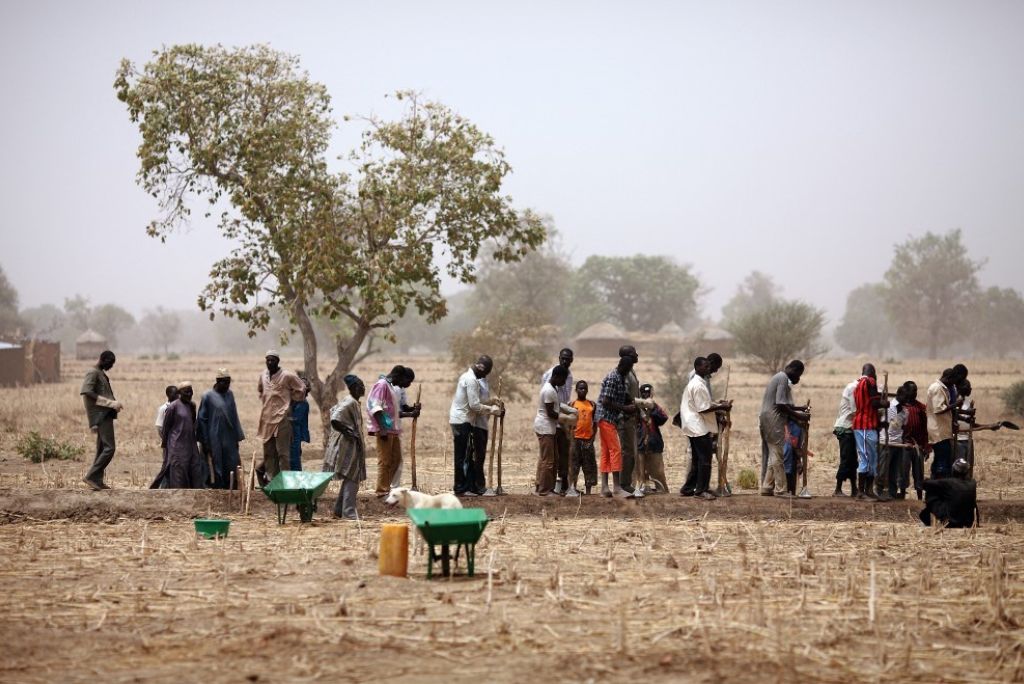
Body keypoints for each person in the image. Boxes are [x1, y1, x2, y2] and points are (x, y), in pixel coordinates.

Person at [449, 356, 503, 497]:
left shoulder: (469, 377)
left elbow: (476, 401)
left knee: (465, 454)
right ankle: (461, 488)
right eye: (485, 373)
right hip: (462, 420)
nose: (484, 376)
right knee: (463, 456)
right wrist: (492, 410)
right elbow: (474, 405)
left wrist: (491, 401)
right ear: (482, 369)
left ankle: (467, 487)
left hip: (463, 420)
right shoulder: (471, 380)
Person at [680, 358, 731, 499]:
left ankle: (688, 488)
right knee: (705, 459)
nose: (709, 369)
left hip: (693, 425)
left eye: (709, 366)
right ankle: (701, 491)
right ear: (697, 368)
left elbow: (704, 403)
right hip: (697, 426)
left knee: (697, 459)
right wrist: (722, 407)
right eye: (706, 366)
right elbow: (703, 408)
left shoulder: (698, 383)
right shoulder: (698, 385)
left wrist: (717, 404)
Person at [367, 365, 420, 496]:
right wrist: (383, 428)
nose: (402, 386)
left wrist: (412, 411)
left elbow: (394, 410)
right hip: (385, 429)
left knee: (396, 459)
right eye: (403, 381)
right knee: (385, 461)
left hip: (393, 429)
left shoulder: (389, 386)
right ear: (398, 376)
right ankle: (382, 490)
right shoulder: (382, 385)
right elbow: (374, 406)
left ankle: (387, 487)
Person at [760, 360, 809, 498]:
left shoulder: (780, 378)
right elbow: (781, 405)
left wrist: (799, 409)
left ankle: (767, 486)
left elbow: (785, 403)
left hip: (769, 417)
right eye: (798, 374)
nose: (797, 378)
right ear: (793, 370)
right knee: (777, 453)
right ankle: (781, 490)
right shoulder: (782, 378)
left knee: (774, 452)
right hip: (772, 418)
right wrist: (799, 416)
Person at [256, 350, 306, 485]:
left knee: (283, 454)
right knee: (268, 454)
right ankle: (273, 482)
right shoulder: (263, 376)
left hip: (282, 420)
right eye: (268, 360)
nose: (270, 362)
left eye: (272, 360)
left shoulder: (287, 375)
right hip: (267, 420)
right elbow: (261, 390)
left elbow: (301, 389)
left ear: (278, 361)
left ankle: (286, 483)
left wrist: (290, 401)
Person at [323, 375, 367, 520]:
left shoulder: (353, 402)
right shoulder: (349, 402)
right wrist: (349, 432)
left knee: (350, 476)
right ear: (354, 387)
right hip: (347, 446)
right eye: (361, 385)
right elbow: (335, 418)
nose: (363, 387)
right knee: (352, 477)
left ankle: (338, 510)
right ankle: (348, 513)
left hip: (351, 445)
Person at [596, 353, 638, 498]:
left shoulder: (620, 377)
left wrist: (630, 402)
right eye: (628, 368)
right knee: (616, 451)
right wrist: (625, 408)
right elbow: (606, 401)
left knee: (606, 452)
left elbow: (619, 395)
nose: (628, 371)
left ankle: (604, 488)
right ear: (623, 366)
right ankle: (617, 487)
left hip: (606, 419)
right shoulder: (613, 378)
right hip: (606, 418)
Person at [80, 350, 123, 490]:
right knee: (110, 448)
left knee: (102, 449)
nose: (111, 366)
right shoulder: (93, 373)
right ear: (102, 359)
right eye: (109, 363)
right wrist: (110, 403)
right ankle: (91, 476)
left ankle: (97, 480)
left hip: (105, 414)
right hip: (100, 415)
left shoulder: (101, 374)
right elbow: (87, 392)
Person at [196, 369, 246, 490]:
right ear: (218, 381)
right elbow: (202, 420)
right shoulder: (207, 396)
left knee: (232, 462)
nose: (227, 385)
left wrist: (237, 438)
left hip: (229, 437)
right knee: (216, 464)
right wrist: (205, 442)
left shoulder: (230, 394)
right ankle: (218, 489)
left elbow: (234, 416)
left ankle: (231, 488)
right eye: (224, 382)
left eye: (228, 382)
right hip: (214, 437)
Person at [534, 364, 572, 496]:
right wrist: (566, 418)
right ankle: (544, 490)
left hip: (549, 428)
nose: (563, 383)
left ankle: (549, 488)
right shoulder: (549, 390)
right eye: (563, 379)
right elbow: (551, 412)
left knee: (554, 459)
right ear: (557, 377)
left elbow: (556, 405)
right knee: (548, 461)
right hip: (545, 428)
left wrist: (568, 410)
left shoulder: (553, 388)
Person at [541, 348, 575, 494]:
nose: (565, 361)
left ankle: (563, 484)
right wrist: (564, 417)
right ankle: (542, 485)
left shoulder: (570, 376)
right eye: (563, 358)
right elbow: (549, 404)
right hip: (551, 419)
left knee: (563, 452)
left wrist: (570, 412)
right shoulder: (549, 378)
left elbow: (564, 400)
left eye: (568, 359)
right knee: (548, 456)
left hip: (561, 417)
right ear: (559, 357)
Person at [160, 382, 205, 489]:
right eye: (186, 392)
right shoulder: (173, 407)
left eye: (191, 391)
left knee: (195, 471)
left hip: (190, 444)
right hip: (177, 446)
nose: (189, 394)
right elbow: (166, 427)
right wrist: (166, 446)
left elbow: (193, 423)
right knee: (178, 474)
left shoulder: (192, 406)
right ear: (180, 393)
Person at [852, 364, 886, 501]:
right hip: (865, 424)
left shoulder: (858, 384)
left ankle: (869, 491)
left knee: (871, 457)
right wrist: (884, 403)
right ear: (872, 373)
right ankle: (862, 492)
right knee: (866, 457)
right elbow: (874, 403)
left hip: (864, 424)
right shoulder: (869, 382)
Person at [919, 458, 978, 528]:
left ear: (954, 470)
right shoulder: (972, 483)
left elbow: (925, 484)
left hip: (952, 522)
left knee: (931, 492)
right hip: (969, 522)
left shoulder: (948, 483)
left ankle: (927, 519)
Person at [926, 368, 962, 479]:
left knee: (939, 459)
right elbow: (939, 409)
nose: (953, 384)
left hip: (941, 430)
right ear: (949, 378)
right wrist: (956, 404)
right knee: (943, 459)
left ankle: (936, 482)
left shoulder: (942, 387)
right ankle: (940, 482)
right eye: (953, 381)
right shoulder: (937, 388)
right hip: (938, 431)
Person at [617, 345, 642, 495]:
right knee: (627, 452)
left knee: (631, 452)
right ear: (627, 356)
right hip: (625, 418)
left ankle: (626, 483)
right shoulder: (625, 373)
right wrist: (634, 406)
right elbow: (624, 395)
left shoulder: (631, 371)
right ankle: (623, 484)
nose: (637, 355)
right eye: (634, 353)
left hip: (631, 417)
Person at [636, 383, 669, 494]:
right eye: (643, 392)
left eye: (647, 392)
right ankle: (642, 489)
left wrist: (653, 408)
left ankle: (662, 492)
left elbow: (663, 418)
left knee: (658, 472)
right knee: (640, 472)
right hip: (640, 444)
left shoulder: (655, 406)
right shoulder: (636, 409)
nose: (646, 394)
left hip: (654, 444)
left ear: (651, 393)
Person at [901, 381, 930, 500]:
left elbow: (925, 428)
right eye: (913, 390)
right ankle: (901, 495)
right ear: (906, 391)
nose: (915, 393)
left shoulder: (921, 408)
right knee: (903, 471)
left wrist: (926, 446)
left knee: (919, 472)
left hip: (918, 445)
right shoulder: (900, 407)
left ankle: (919, 498)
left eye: (916, 390)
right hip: (904, 445)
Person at [568, 380, 597, 495]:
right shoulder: (572, 405)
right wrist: (570, 438)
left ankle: (588, 490)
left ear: (587, 390)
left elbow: (595, 423)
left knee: (588, 465)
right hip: (575, 439)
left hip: (588, 440)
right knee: (574, 464)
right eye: (580, 388)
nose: (582, 390)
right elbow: (568, 423)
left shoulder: (592, 405)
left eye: (584, 388)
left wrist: (592, 438)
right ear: (576, 390)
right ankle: (572, 488)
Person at [831, 376, 859, 497]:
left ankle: (854, 488)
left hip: (850, 427)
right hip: (845, 427)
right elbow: (854, 410)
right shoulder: (853, 388)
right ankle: (837, 490)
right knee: (847, 458)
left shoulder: (855, 387)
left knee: (853, 460)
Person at [289, 377, 312, 471]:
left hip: (294, 435)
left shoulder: (303, 403)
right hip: (290, 434)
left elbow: (295, 419)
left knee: (294, 461)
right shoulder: (294, 401)